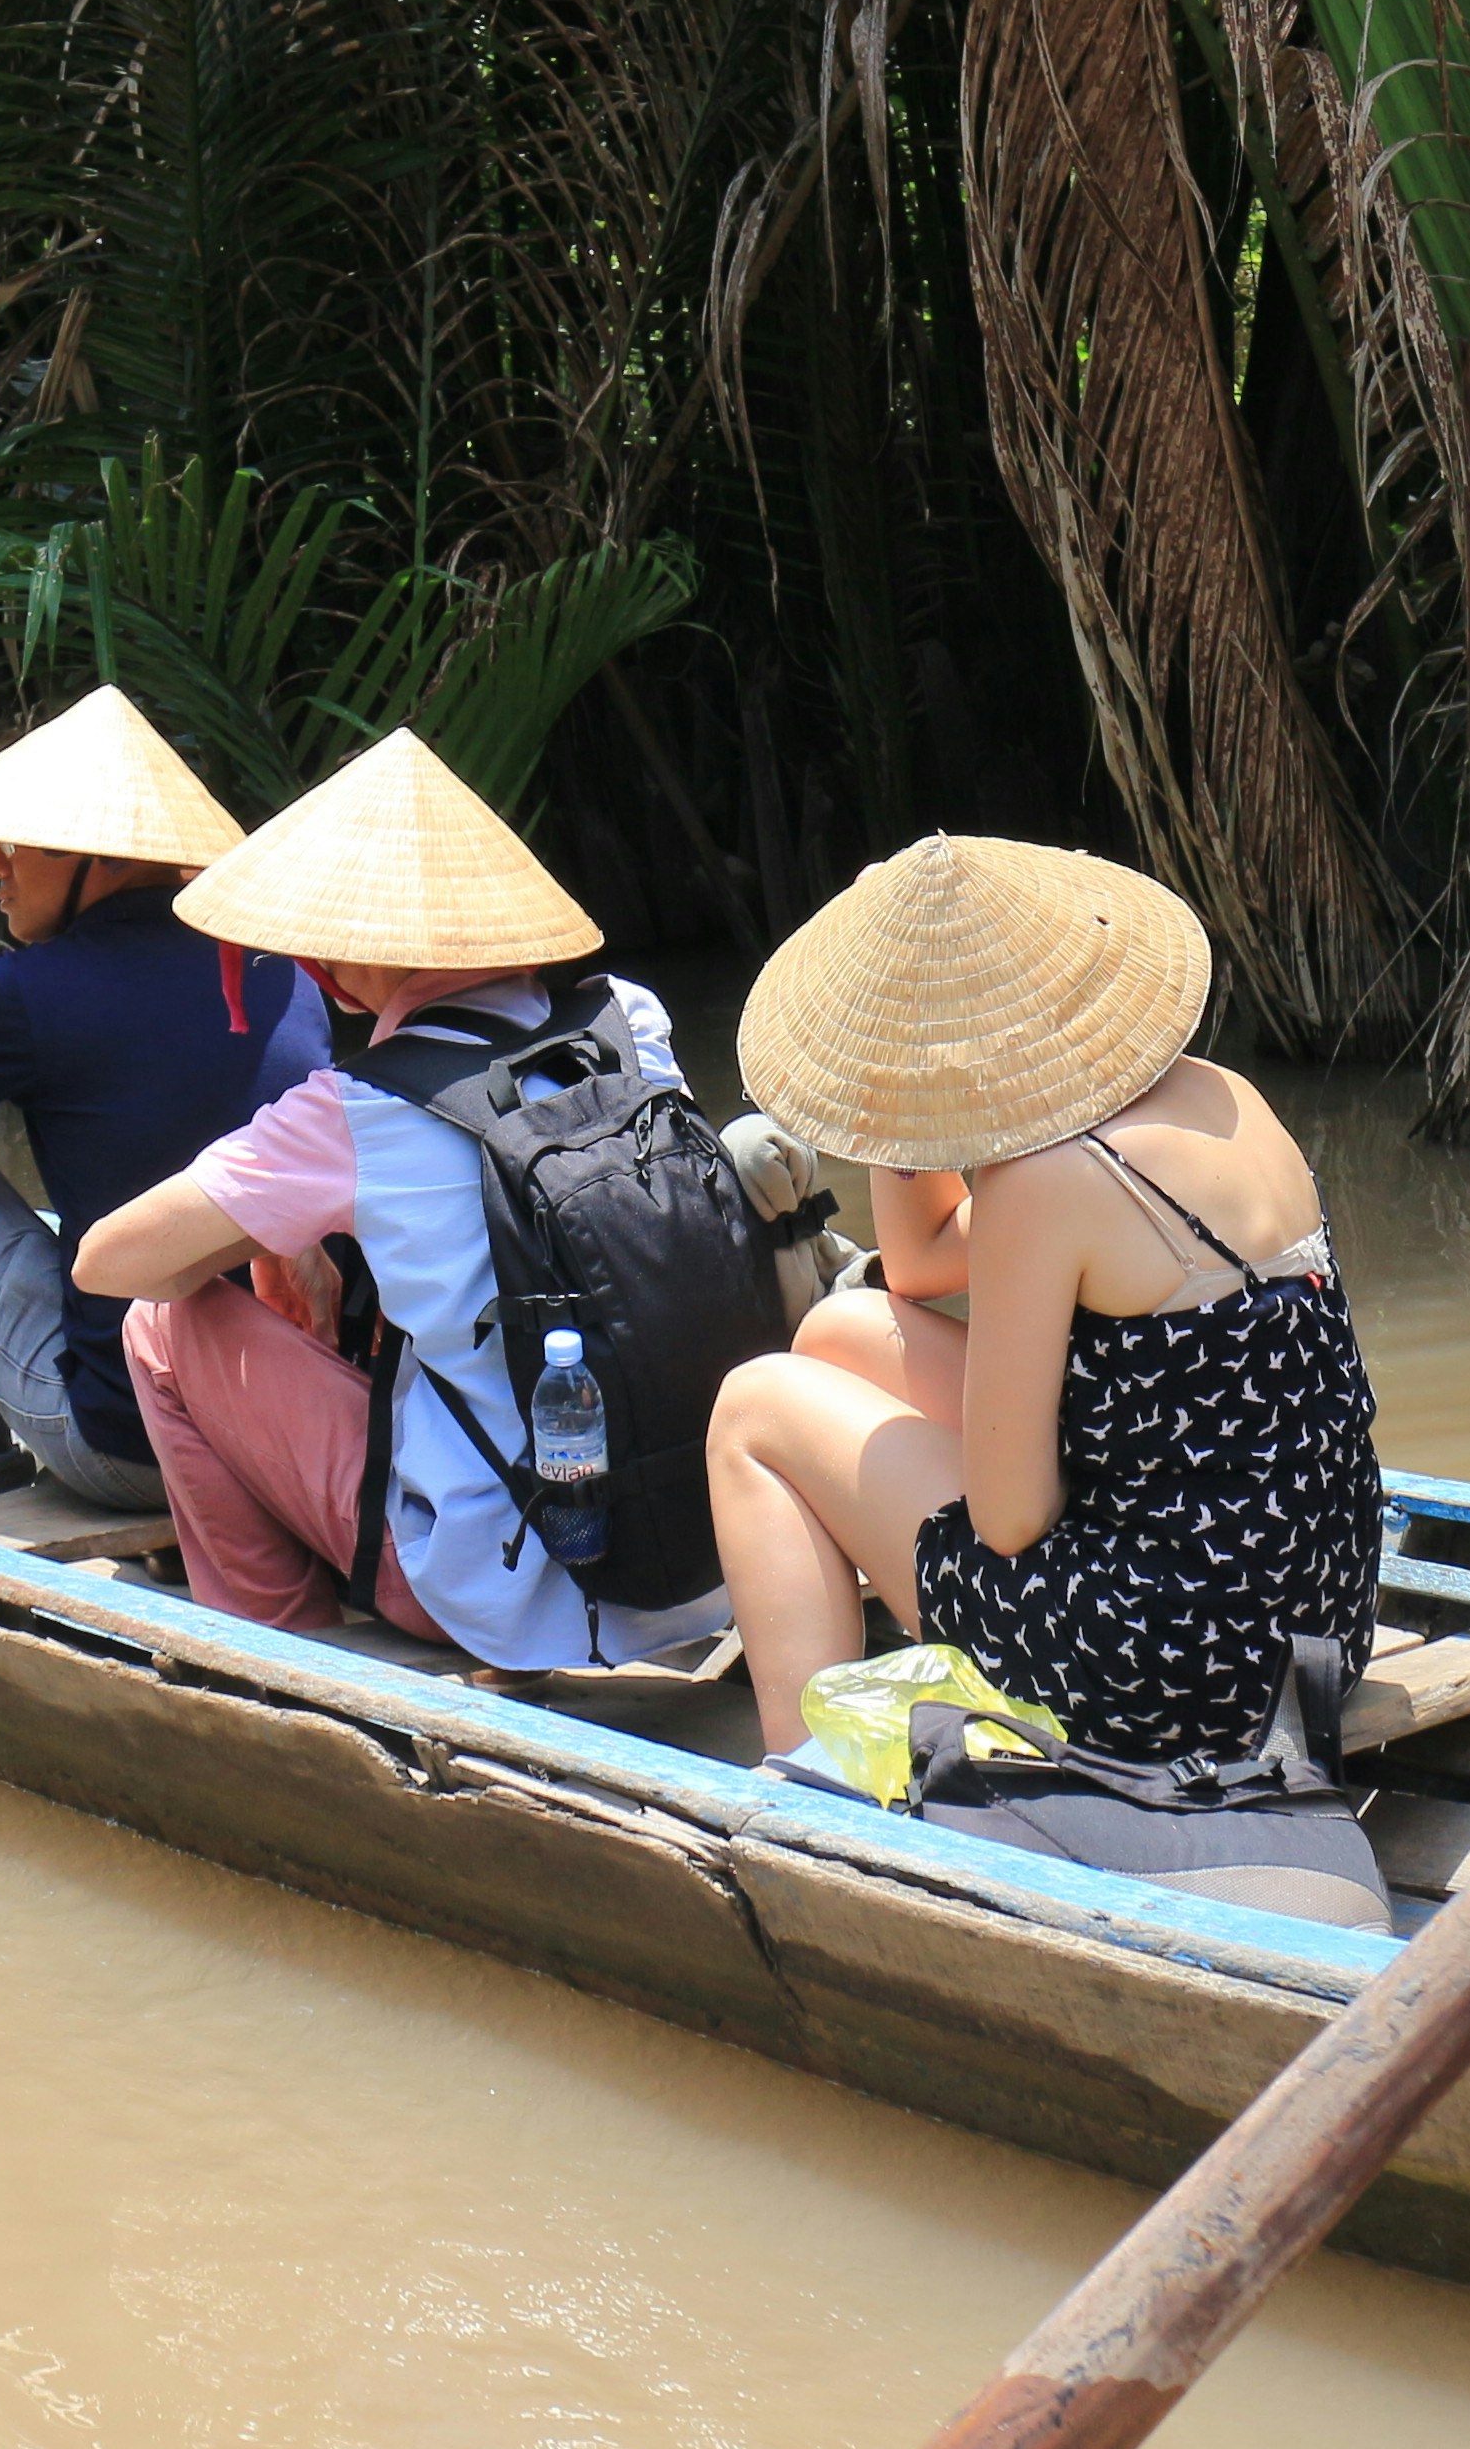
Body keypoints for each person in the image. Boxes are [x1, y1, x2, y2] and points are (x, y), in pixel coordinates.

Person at [702, 835, 1381, 1761]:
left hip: (1178, 1674)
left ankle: (808, 1780)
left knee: (752, 1407)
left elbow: (1011, 1519)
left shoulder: (1048, 1181)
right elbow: (920, 1264)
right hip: (1322, 1617)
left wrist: (900, 1034)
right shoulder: (1222, 1093)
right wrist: (908, 1082)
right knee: (840, 1332)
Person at [70, 729, 738, 1668]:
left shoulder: (362, 1109)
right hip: (713, 1552)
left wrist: (266, 1231)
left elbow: (106, 1263)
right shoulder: (631, 1020)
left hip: (503, 1593)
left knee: (159, 1327)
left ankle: (276, 1653)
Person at [0, 688, 328, 1514]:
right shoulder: (284, 974)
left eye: (14, 846)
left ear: (101, 859)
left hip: (130, 1450)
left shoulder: (26, 993)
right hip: (291, 1442)